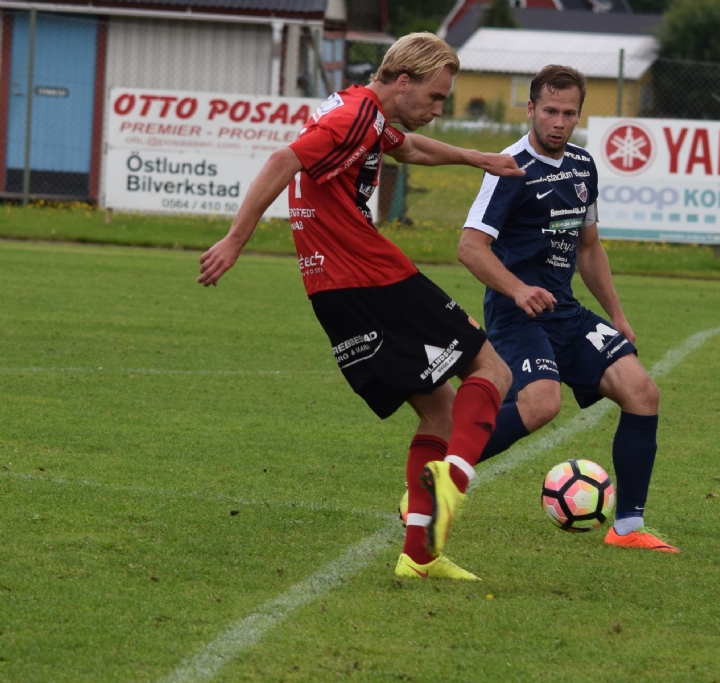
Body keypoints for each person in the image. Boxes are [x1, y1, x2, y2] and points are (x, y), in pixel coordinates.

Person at [197, 33, 522, 580]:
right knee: (493, 369)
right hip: (372, 276)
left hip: (332, 292)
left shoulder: (363, 113)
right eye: (435, 97)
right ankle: (455, 479)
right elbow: (283, 159)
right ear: (403, 81)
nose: (438, 109)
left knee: (440, 412)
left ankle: (419, 557)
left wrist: (476, 158)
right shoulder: (355, 115)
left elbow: (409, 149)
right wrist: (235, 240)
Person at [458, 65, 678, 553]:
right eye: (550, 111)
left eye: (569, 113)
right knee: (542, 404)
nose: (559, 122)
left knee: (642, 392)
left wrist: (616, 315)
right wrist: (518, 289)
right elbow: (470, 248)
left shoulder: (582, 164)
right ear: (531, 109)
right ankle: (440, 473)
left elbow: (588, 247)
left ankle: (628, 528)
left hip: (567, 313)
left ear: (579, 114)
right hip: (516, 316)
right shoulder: (509, 168)